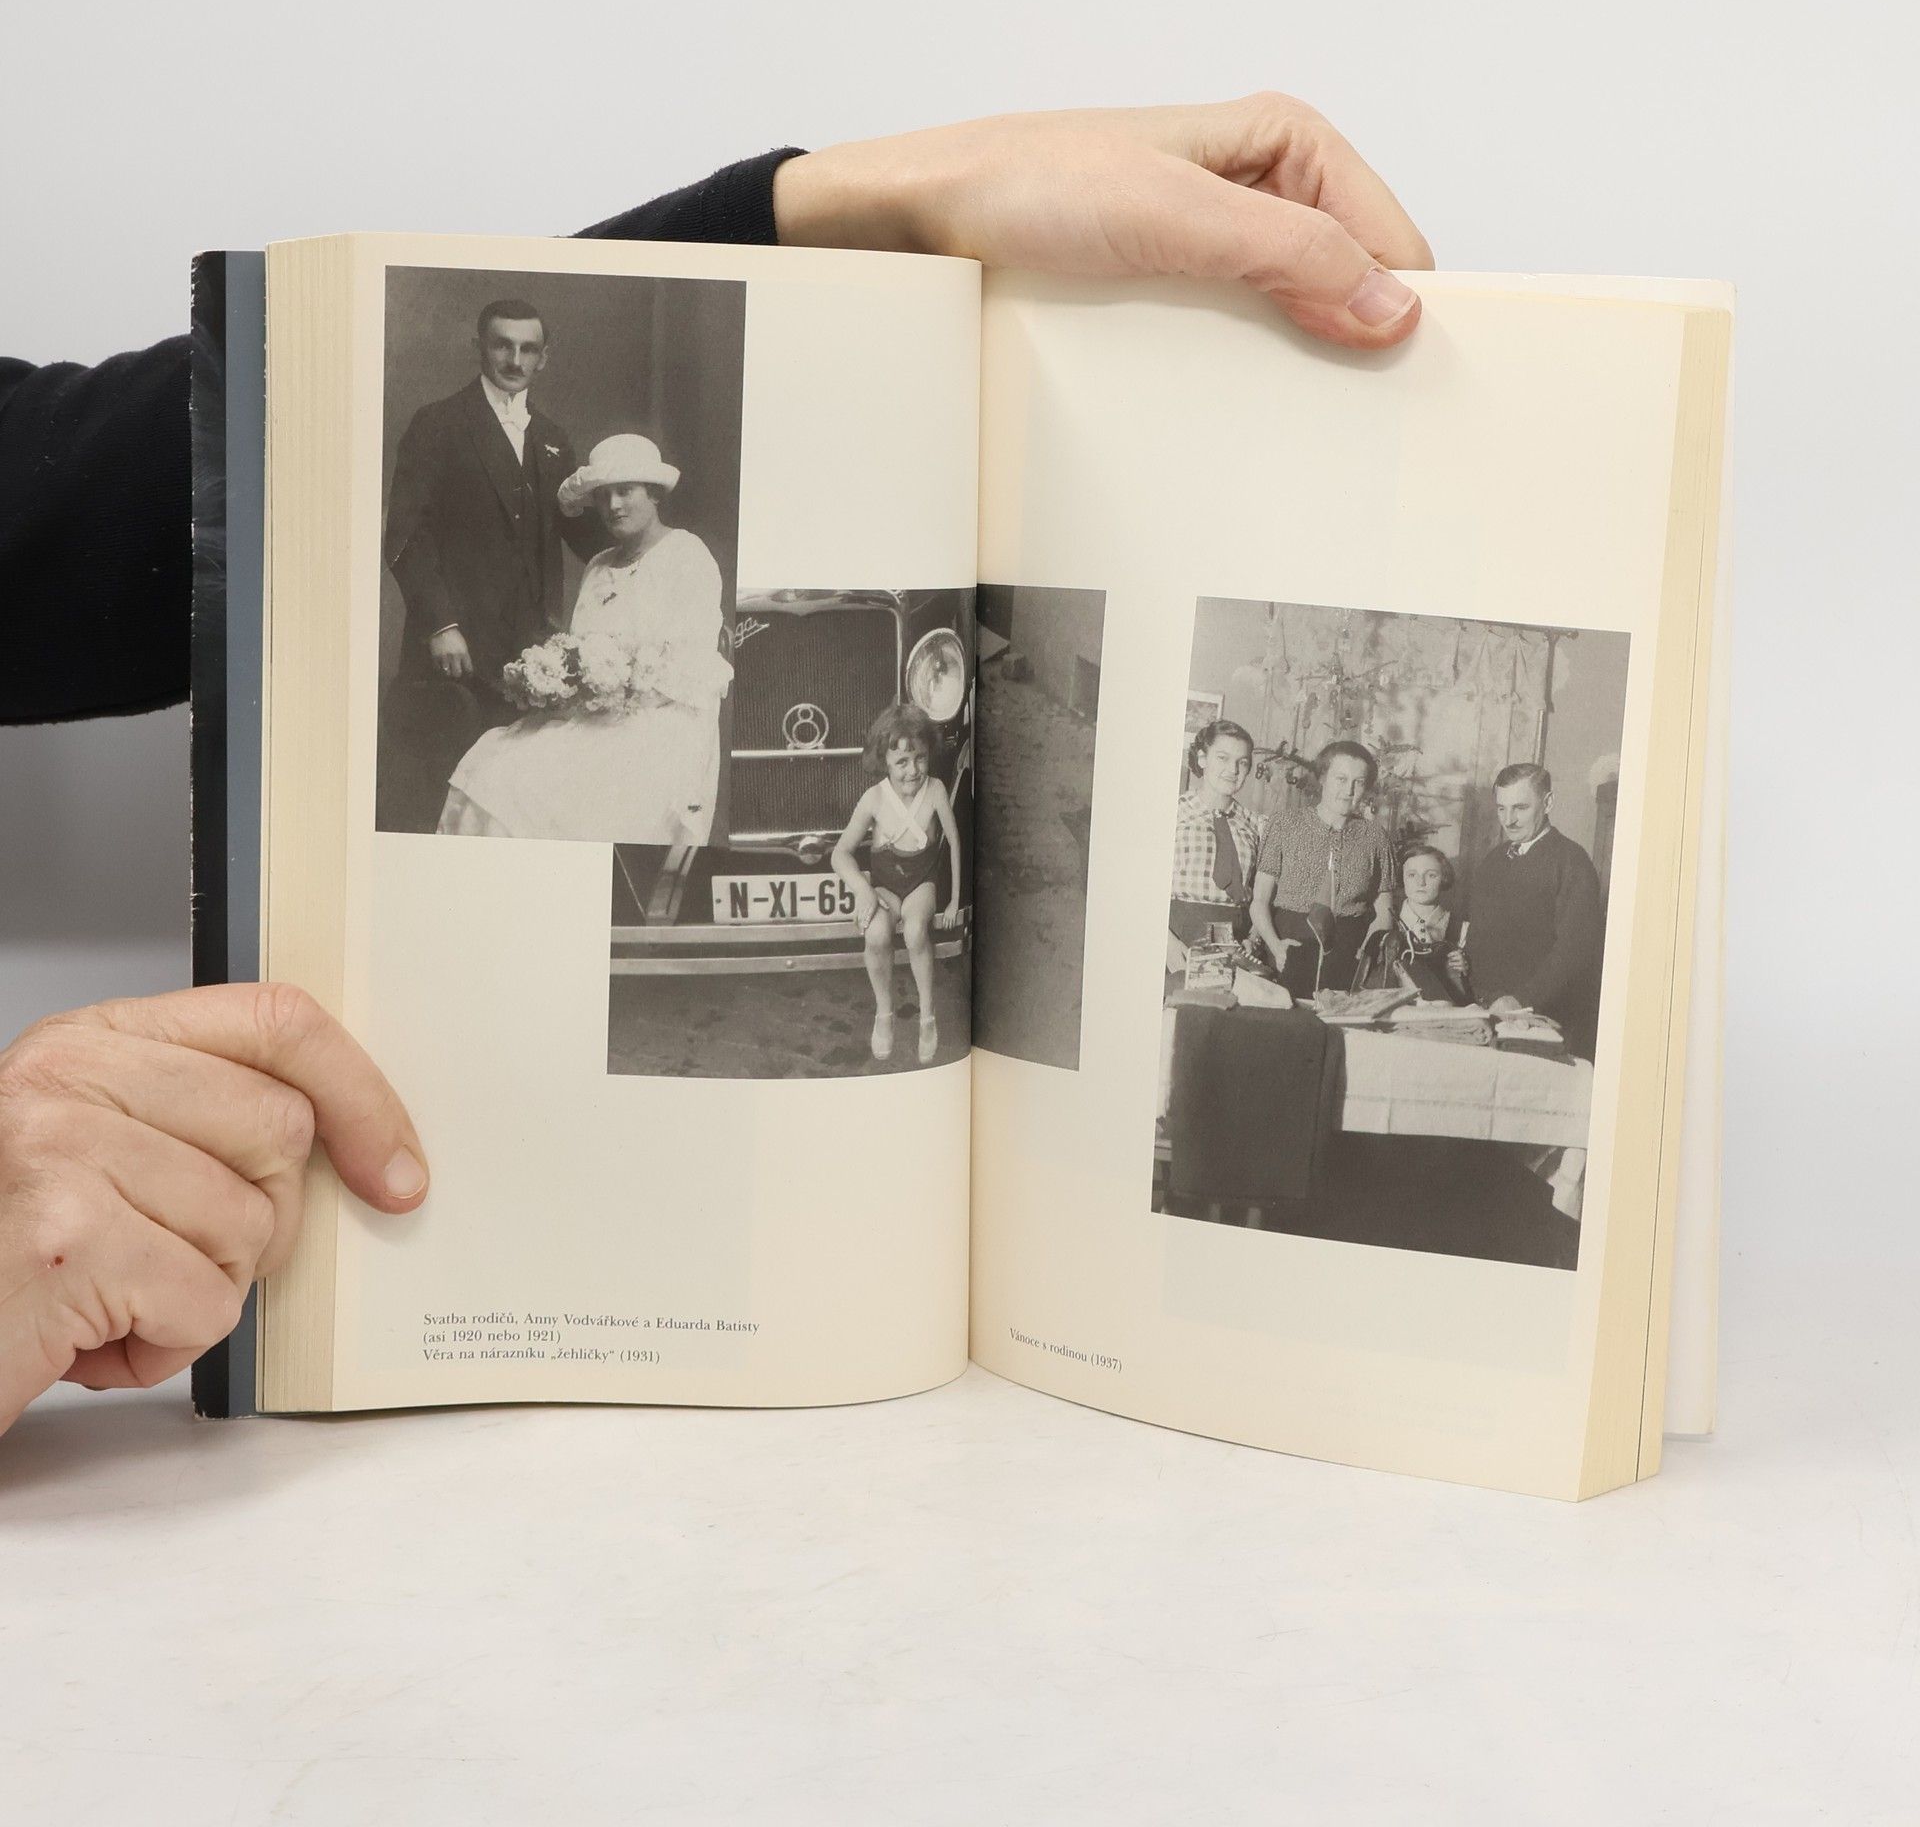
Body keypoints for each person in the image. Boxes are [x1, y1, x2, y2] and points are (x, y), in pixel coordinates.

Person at [0, 94, 1431, 1437]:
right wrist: (553, 671)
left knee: (582, 788)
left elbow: (63, 499)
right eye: (610, 491)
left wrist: (849, 209)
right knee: (498, 766)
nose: (622, 500)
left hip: (676, 727)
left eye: (638, 488)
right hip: (614, 731)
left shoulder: (679, 559)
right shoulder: (554, 523)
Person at [436, 434, 733, 844]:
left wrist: (615, 685)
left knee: (541, 791)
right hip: (593, 716)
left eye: (625, 491)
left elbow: (689, 664)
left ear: (654, 493)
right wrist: (562, 679)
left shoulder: (686, 554)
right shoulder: (598, 566)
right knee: (493, 770)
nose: (613, 505)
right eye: (603, 495)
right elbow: (582, 646)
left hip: (661, 723)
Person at [379, 297, 587, 833]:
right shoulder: (438, 423)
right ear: (479, 347)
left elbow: (584, 532)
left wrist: (664, 560)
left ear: (545, 357)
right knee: (437, 800)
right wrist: (440, 625)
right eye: (503, 346)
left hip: (531, 658)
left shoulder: (553, 439)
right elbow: (405, 536)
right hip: (456, 655)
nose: (515, 361)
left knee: (511, 809)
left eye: (528, 349)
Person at [831, 705, 964, 1065]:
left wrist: (953, 901)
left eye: (920, 758)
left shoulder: (935, 790)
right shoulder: (874, 798)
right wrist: (863, 890)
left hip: (922, 883)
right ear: (884, 761)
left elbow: (954, 842)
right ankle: (884, 1013)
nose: (912, 770)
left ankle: (927, 1016)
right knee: (875, 935)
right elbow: (840, 853)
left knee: (917, 930)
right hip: (885, 887)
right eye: (902, 761)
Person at [1458, 762, 1605, 1059]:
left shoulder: (1572, 862)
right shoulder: (1493, 860)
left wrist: (1521, 1000)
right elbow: (1478, 937)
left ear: (1547, 803)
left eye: (1520, 808)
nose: (1508, 820)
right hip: (1487, 1013)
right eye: (1502, 809)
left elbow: (1574, 951)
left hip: (1542, 1019)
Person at [1248, 738, 1397, 998]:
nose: (1349, 790)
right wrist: (1275, 946)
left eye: (1359, 782)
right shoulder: (1284, 824)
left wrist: (1366, 953)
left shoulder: (1375, 837)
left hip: (1349, 953)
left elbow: (1385, 911)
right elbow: (1259, 901)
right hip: (1290, 946)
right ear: (1323, 778)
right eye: (1341, 779)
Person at [1168, 718, 1263, 952]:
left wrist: (1253, 939)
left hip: (1235, 941)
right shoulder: (1173, 813)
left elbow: (1263, 898)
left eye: (1242, 762)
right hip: (1178, 937)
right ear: (1202, 758)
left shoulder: (1257, 825)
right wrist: (1168, 945)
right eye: (1223, 758)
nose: (1233, 770)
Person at [1367, 842, 1471, 1004]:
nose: (1421, 882)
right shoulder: (1385, 927)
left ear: (1444, 878)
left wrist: (1466, 969)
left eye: (1431, 875)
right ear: (1402, 878)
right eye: (1412, 875)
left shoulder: (1461, 928)